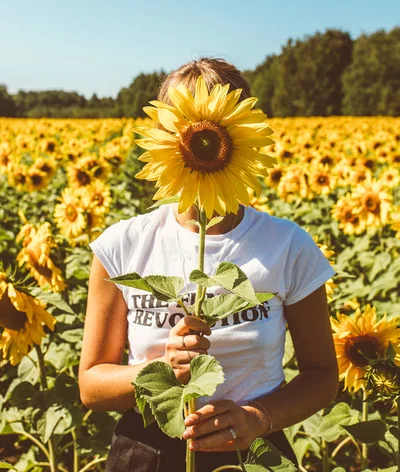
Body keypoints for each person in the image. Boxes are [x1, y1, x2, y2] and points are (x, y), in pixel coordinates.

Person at [78, 58, 339, 472]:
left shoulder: (287, 245)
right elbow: (91, 386)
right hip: (146, 449)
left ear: (240, 136)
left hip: (252, 448)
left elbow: (323, 374)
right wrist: (161, 370)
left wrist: (258, 418)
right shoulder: (123, 244)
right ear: (165, 136)